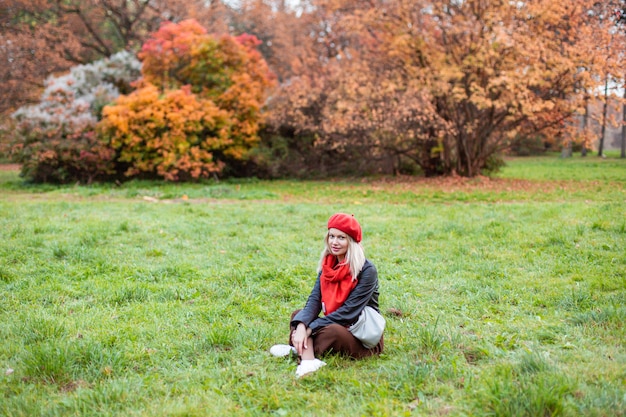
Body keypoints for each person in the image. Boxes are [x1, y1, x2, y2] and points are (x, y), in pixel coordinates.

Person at [270, 213, 384, 378]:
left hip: (358, 334)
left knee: (332, 332)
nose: (334, 242)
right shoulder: (327, 266)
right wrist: (302, 325)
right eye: (331, 236)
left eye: (341, 238)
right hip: (334, 321)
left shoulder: (367, 270)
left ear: (351, 241)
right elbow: (314, 301)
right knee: (298, 315)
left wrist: (309, 328)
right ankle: (308, 359)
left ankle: (300, 349)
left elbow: (348, 313)